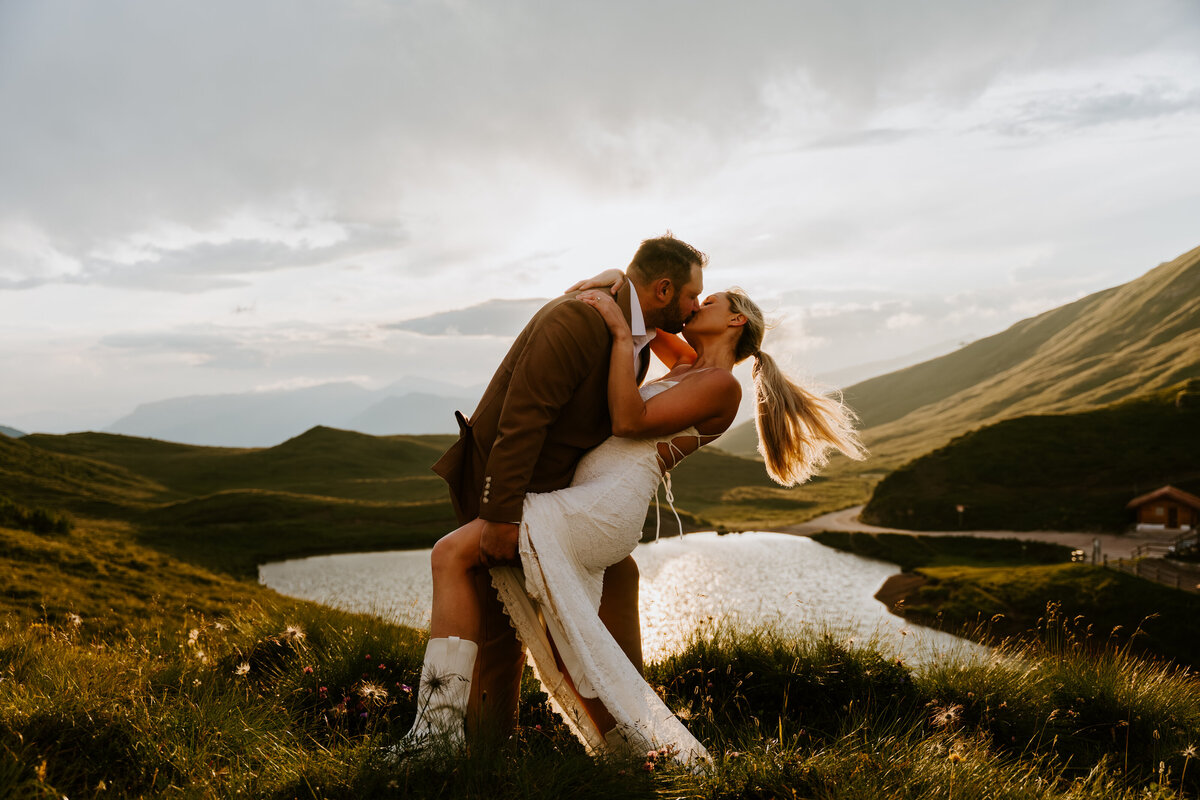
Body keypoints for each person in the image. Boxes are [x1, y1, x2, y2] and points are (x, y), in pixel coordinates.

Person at [398, 270, 867, 767]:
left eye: (707, 301)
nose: (694, 307)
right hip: (590, 500)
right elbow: (642, 302)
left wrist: (622, 338)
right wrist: (616, 276)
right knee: (567, 641)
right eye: (693, 297)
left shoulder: (721, 388)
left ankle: (435, 735)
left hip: (605, 509)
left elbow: (628, 420)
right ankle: (633, 754)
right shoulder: (687, 363)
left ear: (735, 319)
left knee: (449, 554)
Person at [408, 235, 707, 750]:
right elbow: (523, 420)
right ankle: (462, 749)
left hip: (556, 501)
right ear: (662, 289)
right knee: (498, 631)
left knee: (559, 610)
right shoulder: (578, 320)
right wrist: (500, 516)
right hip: (507, 490)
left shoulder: (631, 334)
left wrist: (615, 281)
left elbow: (703, 349)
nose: (696, 308)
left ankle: (628, 738)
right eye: (691, 297)